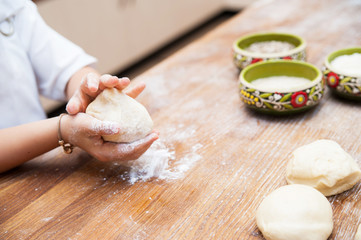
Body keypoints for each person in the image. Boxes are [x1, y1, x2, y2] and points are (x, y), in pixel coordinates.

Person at [0, 0, 159, 173]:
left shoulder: (9, 5)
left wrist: (92, 90)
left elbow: (67, 67)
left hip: (41, 163)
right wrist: (63, 130)